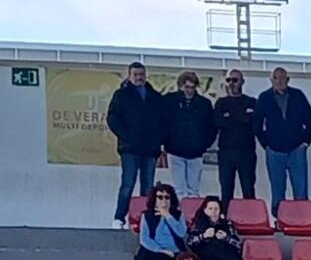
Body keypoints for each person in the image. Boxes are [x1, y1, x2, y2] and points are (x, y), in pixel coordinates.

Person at [107, 62, 164, 228]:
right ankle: (119, 218)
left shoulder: (155, 97)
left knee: (148, 186)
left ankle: (146, 219)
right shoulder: (121, 95)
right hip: (130, 149)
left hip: (150, 150)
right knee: (127, 184)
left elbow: (163, 122)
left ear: (146, 75)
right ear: (130, 76)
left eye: (141, 74)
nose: (139, 77)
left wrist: (158, 140)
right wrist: (127, 136)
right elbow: (112, 118)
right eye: (135, 74)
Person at [257, 67, 311, 213]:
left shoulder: (298, 95)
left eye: (282, 78)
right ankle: (279, 223)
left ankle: (302, 221)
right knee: (277, 192)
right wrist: (266, 145)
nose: (279, 81)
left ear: (288, 79)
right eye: (275, 78)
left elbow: (310, 120)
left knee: (301, 191)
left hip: (297, 150)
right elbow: (257, 124)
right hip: (274, 152)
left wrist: (305, 143)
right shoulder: (264, 97)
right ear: (271, 80)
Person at [160, 71, 215, 200]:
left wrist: (204, 144)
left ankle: (192, 218)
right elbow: (162, 123)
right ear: (180, 86)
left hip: (196, 152)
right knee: (179, 189)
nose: (189, 90)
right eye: (187, 87)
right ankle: (182, 218)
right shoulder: (169, 101)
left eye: (192, 87)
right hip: (175, 151)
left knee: (194, 190)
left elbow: (211, 126)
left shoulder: (204, 104)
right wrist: (166, 142)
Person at [214, 68, 258, 209]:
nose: (232, 83)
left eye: (235, 80)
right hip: (226, 151)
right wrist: (242, 117)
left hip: (246, 151)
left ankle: (251, 219)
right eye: (228, 80)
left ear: (242, 82)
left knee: (248, 188)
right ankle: (225, 221)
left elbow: (253, 122)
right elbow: (218, 122)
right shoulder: (221, 103)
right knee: (226, 189)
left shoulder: (252, 102)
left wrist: (230, 117)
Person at [134, 184, 186, 260]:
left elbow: (181, 233)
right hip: (155, 250)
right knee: (158, 259)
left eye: (167, 197)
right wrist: (161, 250)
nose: (164, 201)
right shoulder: (147, 215)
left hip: (175, 251)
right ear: (155, 199)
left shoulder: (178, 214)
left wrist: (168, 216)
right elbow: (144, 239)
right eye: (160, 197)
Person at [188, 195, 244, 260]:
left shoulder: (227, 223)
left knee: (221, 251)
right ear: (205, 210)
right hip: (204, 257)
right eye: (210, 209)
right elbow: (190, 243)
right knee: (216, 244)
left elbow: (238, 244)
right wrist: (203, 236)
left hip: (223, 258)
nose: (213, 211)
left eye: (216, 209)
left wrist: (226, 238)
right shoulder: (198, 223)